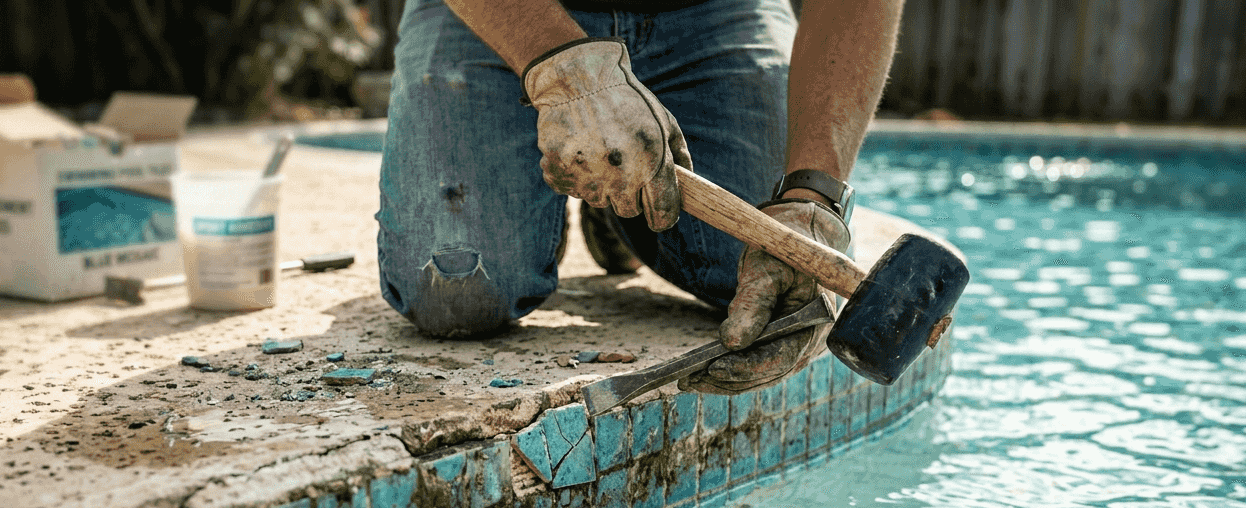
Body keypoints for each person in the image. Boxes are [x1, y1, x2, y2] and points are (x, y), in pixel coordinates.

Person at [375, 0, 903, 394]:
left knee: (766, 278)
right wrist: (562, 71)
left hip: (713, 14)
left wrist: (813, 195)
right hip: (503, 13)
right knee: (454, 289)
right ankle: (596, 169)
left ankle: (618, 205)